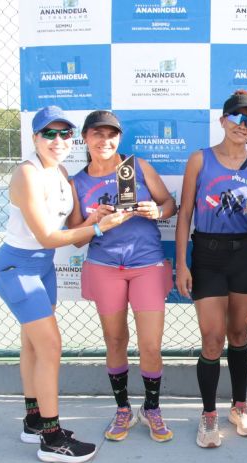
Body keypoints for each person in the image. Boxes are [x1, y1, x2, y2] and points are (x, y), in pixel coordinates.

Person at [0, 106, 130, 463]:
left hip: (43, 269)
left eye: (64, 133)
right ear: (35, 138)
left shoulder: (61, 172)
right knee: (51, 347)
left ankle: (34, 420)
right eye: (48, 134)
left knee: (34, 346)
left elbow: (72, 223)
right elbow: (50, 236)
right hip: (16, 268)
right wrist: (100, 228)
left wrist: (93, 217)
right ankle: (52, 441)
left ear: (73, 139)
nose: (57, 140)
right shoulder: (27, 174)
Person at [69, 110, 177, 444]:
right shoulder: (77, 182)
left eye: (111, 135)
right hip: (105, 267)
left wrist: (156, 211)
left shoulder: (139, 167)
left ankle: (152, 408)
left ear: (119, 138)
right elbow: (75, 236)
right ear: (85, 139)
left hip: (146, 264)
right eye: (97, 135)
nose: (105, 141)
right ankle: (123, 409)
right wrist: (95, 222)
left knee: (150, 344)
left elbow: (169, 203)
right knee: (115, 340)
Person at [175, 90, 247, 448]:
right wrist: (182, 262)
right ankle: (209, 414)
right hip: (207, 254)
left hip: (245, 254)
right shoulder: (200, 159)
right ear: (223, 120)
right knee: (212, 339)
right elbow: (184, 213)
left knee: (240, 336)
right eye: (237, 118)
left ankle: (239, 407)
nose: (243, 126)